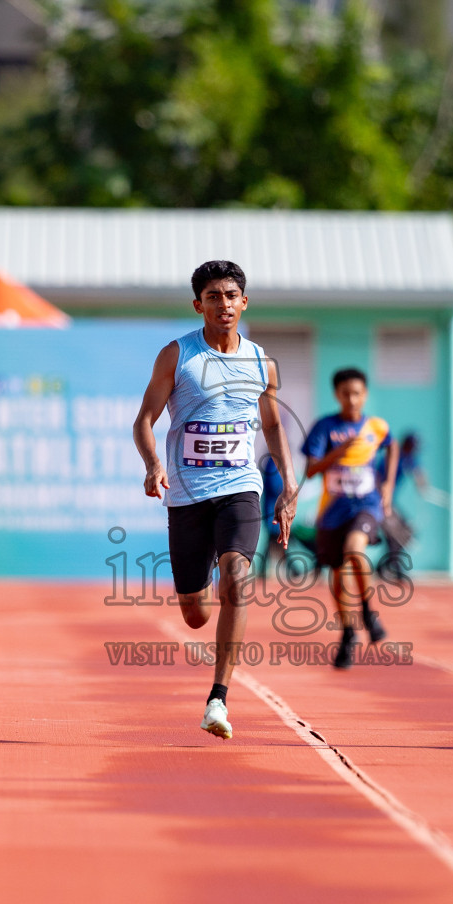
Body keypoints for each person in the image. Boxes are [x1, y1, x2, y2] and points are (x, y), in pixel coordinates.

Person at [132, 260, 298, 740]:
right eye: (213, 296)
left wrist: (288, 484)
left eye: (231, 295)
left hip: (240, 488)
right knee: (195, 613)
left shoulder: (261, 362)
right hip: (186, 496)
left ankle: (218, 699)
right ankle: (198, 585)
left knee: (238, 579)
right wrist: (152, 464)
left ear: (244, 302)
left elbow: (271, 425)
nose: (223, 304)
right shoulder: (176, 355)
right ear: (197, 304)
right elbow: (145, 420)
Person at [302, 368, 398, 670]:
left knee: (355, 551)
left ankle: (368, 612)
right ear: (337, 395)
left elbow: (391, 446)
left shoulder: (375, 427)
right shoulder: (325, 427)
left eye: (357, 393)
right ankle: (347, 632)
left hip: (366, 506)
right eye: (346, 394)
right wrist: (338, 453)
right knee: (338, 576)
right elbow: (311, 470)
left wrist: (388, 486)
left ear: (365, 394)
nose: (352, 399)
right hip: (333, 512)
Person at [375, 431, 427, 583]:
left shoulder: (408, 458)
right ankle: (394, 568)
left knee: (405, 532)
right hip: (381, 502)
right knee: (395, 535)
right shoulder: (389, 458)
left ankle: (385, 566)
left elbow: (419, 474)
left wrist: (422, 486)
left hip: (391, 503)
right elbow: (376, 478)